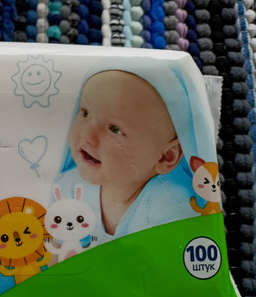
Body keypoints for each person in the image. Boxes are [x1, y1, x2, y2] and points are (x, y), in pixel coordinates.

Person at [54, 58, 215, 244]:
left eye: (115, 129)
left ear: (166, 157)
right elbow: (56, 251)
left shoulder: (170, 206)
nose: (88, 136)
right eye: (85, 113)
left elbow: (178, 258)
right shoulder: (69, 188)